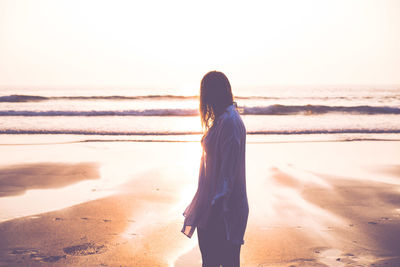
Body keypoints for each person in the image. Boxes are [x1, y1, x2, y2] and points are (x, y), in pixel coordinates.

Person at [181, 71, 249, 267]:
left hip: (223, 208)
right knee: (214, 262)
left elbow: (228, 173)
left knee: (221, 262)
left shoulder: (229, 122)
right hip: (215, 204)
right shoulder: (223, 120)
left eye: (206, 92)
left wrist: (217, 207)